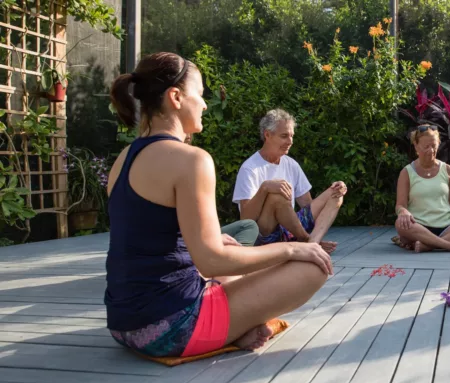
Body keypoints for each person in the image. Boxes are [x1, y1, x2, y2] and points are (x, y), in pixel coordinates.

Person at [105, 52, 333, 359]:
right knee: (311, 266)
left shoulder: (124, 158)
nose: (205, 104)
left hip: (123, 323)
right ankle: (234, 329)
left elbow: (147, 240)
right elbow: (212, 262)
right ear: (175, 97)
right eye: (199, 94)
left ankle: (237, 328)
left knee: (234, 264)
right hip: (171, 326)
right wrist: (293, 249)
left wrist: (207, 245)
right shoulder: (191, 160)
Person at [232, 109, 345, 254]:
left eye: (291, 136)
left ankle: (313, 243)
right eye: (284, 136)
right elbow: (246, 220)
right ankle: (307, 241)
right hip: (264, 236)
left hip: (289, 230)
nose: (290, 141)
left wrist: (337, 188)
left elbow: (307, 207)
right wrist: (265, 188)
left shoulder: (291, 164)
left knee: (335, 193)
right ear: (267, 135)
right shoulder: (249, 168)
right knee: (276, 197)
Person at [393, 124, 450, 253]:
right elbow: (400, 205)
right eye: (426, 147)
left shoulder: (447, 170)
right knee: (400, 224)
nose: (431, 150)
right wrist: (403, 212)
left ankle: (428, 245)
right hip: (419, 227)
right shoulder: (407, 172)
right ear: (416, 146)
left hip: (446, 227)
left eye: (434, 146)